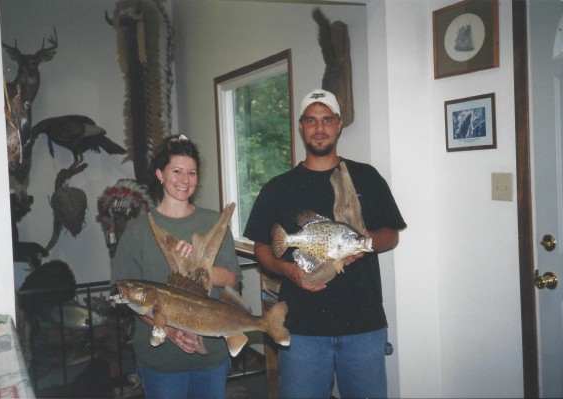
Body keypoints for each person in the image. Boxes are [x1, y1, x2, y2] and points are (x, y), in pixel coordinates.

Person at [244, 89, 407, 399]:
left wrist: (361, 244)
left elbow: (392, 234)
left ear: (339, 124)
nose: (319, 129)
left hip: (364, 324)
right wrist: (286, 270)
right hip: (302, 328)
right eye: (311, 120)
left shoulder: (367, 177)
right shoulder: (278, 188)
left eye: (327, 120)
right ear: (301, 126)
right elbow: (262, 248)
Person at [111, 134, 242, 399]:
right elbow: (129, 295)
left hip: (211, 355)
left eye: (191, 173)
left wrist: (199, 266)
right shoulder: (137, 232)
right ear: (160, 174)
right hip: (162, 360)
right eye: (177, 171)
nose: (185, 180)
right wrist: (168, 330)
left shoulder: (214, 223)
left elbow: (231, 278)